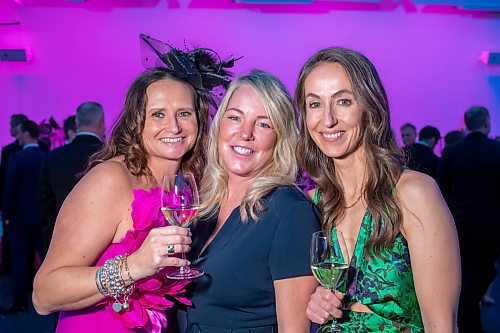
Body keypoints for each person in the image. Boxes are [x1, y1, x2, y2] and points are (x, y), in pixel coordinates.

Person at [33, 35, 236, 333]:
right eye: (158, 114)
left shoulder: (185, 187)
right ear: (136, 121)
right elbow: (44, 295)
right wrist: (133, 267)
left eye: (184, 113)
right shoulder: (110, 179)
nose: (174, 126)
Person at [296, 47, 460, 332]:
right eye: (314, 104)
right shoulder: (313, 203)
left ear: (370, 108)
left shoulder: (412, 193)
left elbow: (441, 324)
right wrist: (316, 302)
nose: (328, 119)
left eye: (343, 101)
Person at [180, 70, 321, 332]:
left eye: (263, 124)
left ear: (281, 138)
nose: (245, 133)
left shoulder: (290, 212)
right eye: (235, 117)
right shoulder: (201, 202)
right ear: (219, 123)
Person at [437, 106, 500, 333]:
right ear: (487, 122)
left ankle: (469, 322)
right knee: (487, 275)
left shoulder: (452, 153)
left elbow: (441, 191)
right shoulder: (497, 150)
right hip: (494, 228)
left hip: (462, 228)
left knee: (468, 280)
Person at [38, 102, 105, 258]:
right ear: (102, 123)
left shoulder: (53, 157)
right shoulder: (109, 156)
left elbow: (45, 206)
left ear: (76, 123)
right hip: (101, 245)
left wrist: (50, 242)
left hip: (60, 242)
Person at [1, 120, 46, 313]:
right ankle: (47, 299)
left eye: (19, 133)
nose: (16, 136)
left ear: (27, 134)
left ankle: (20, 303)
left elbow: (9, 189)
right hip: (42, 218)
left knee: (19, 261)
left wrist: (6, 214)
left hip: (19, 219)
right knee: (45, 260)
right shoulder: (47, 156)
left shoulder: (17, 158)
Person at [0, 114, 28, 275]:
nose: (9, 128)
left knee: (15, 248)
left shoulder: (9, 151)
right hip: (27, 210)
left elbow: (5, 182)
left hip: (16, 210)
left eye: (11, 125)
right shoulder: (42, 150)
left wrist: (5, 209)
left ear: (18, 127)